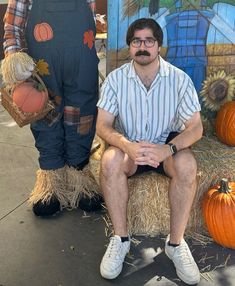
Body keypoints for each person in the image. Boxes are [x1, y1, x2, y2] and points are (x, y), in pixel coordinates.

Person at [96, 18, 203, 285]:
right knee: (109, 161)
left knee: (188, 165)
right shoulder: (115, 79)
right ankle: (120, 239)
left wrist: (168, 149)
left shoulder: (179, 79)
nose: (142, 47)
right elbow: (103, 126)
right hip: (130, 144)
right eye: (136, 41)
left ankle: (176, 244)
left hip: (164, 145)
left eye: (149, 41)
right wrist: (126, 145)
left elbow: (195, 128)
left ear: (158, 46)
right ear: (130, 46)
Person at [2, 0, 103, 216]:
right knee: (45, 115)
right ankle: (51, 181)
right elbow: (12, 25)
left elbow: (92, 19)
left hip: (81, 61)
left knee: (82, 113)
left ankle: (79, 176)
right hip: (41, 64)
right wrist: (14, 56)